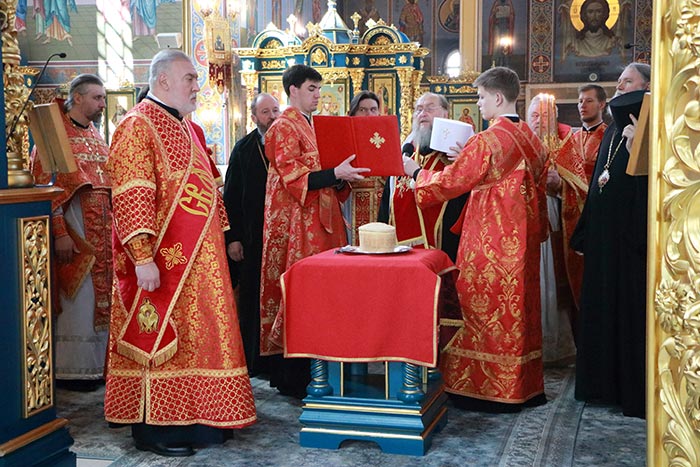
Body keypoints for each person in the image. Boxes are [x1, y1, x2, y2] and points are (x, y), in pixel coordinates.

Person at [104, 49, 256, 456]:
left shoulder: (186, 126)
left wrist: (225, 235)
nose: (197, 86)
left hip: (201, 263)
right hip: (161, 264)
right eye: (189, 77)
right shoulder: (137, 125)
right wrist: (142, 256)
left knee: (198, 340)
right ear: (163, 80)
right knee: (159, 340)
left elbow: (209, 188)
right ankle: (157, 429)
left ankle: (202, 419)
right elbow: (132, 193)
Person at [403, 67, 547, 412]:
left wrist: (416, 172)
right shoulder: (530, 137)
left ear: (497, 97)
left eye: (481, 97)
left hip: (489, 238)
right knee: (518, 311)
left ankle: (483, 387)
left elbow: (451, 182)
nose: (479, 104)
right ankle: (521, 386)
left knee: (481, 309)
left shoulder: (488, 139)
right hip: (522, 239)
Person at [260, 64, 369, 398]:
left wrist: (341, 176)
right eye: (311, 88)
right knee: (302, 290)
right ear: (293, 90)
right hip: (297, 222)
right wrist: (334, 173)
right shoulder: (283, 126)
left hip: (322, 219)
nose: (318, 95)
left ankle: (325, 365)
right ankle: (296, 376)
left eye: (319, 89)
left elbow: (326, 170)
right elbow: (293, 176)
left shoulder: (313, 125)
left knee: (324, 290)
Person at [570, 62, 651, 418]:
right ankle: (600, 385)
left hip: (632, 238)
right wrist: (585, 229)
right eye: (618, 82)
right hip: (603, 238)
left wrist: (641, 147)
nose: (620, 87)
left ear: (647, 87)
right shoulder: (613, 129)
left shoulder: (653, 126)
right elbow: (597, 184)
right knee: (600, 307)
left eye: (628, 82)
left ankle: (630, 391)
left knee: (628, 311)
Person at [30, 74, 111, 391]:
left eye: (103, 98)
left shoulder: (95, 134)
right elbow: (46, 186)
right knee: (80, 296)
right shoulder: (54, 134)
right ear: (77, 98)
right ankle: (73, 370)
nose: (102, 104)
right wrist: (60, 232)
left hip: (104, 228)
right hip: (76, 229)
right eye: (97, 97)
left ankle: (99, 367)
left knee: (101, 299)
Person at [223, 93, 280, 377]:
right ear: (254, 117)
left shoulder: (291, 145)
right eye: (265, 112)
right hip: (251, 238)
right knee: (252, 300)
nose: (272, 117)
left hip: (282, 238)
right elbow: (230, 197)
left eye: (275, 110)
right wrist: (232, 238)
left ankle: (279, 363)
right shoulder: (243, 149)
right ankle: (255, 362)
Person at [378, 92, 467, 262]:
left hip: (444, 255)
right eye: (418, 109)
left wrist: (464, 162)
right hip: (400, 258)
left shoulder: (456, 158)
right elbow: (385, 210)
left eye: (430, 108)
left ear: (445, 114)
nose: (422, 114)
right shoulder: (405, 157)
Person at [549, 84, 608, 336]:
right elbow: (561, 181)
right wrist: (556, 184)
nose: (583, 105)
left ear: (602, 104)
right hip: (570, 222)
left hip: (600, 221)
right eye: (580, 101)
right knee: (572, 281)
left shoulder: (609, 137)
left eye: (589, 101)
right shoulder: (570, 141)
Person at [527, 94, 576, 366]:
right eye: (534, 115)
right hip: (523, 219)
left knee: (550, 281)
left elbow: (579, 184)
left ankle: (554, 347)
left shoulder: (567, 142)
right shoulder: (521, 141)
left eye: (543, 116)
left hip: (552, 215)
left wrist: (559, 185)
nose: (538, 121)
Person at [342, 91, 383, 245]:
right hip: (352, 200)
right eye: (362, 110)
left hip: (381, 203)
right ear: (352, 113)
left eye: (373, 109)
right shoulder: (344, 141)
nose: (368, 114)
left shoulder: (386, 140)